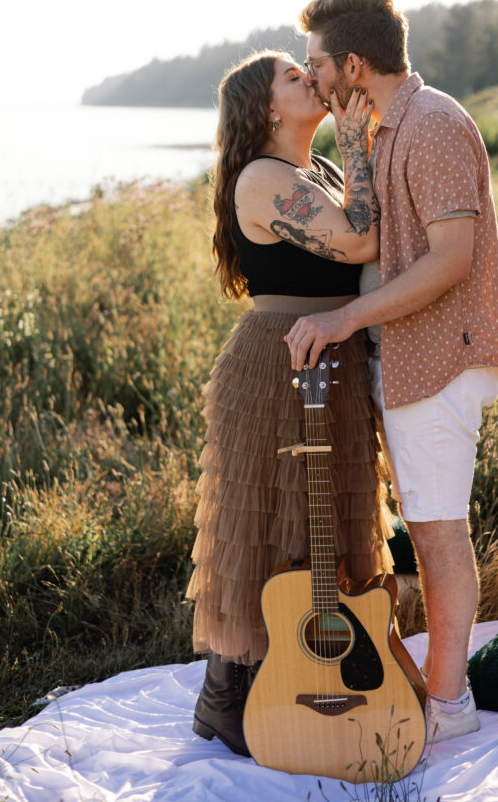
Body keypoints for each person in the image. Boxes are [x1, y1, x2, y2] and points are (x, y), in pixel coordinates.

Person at [285, 0, 498, 743]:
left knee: (438, 532)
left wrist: (344, 317)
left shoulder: (435, 125)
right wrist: (351, 150)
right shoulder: (386, 129)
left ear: (353, 63)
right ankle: (441, 690)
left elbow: (451, 260)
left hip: (441, 363)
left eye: (318, 64)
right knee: (421, 530)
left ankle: (449, 710)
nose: (312, 78)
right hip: (410, 364)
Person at [185, 50, 393, 756]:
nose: (311, 79)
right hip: (280, 360)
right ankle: (226, 699)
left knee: (324, 514)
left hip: (328, 348)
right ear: (269, 107)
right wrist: (358, 140)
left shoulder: (312, 171)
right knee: (270, 522)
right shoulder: (265, 178)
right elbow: (358, 237)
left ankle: (295, 673)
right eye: (293, 78)